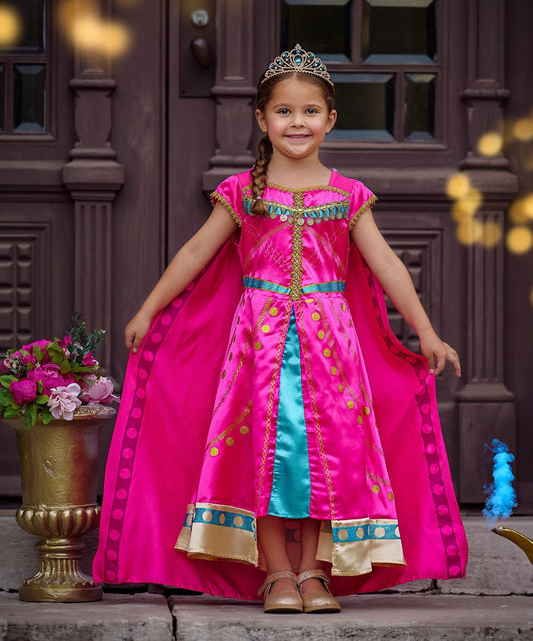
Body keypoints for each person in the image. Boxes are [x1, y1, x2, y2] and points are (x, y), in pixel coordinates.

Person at [93, 45, 468, 613]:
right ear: (262, 120)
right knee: (259, 451)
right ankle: (276, 574)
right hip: (256, 349)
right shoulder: (244, 192)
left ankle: (316, 572)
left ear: (331, 119)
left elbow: (388, 264)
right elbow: (197, 252)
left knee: (331, 453)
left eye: (310, 111)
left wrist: (427, 333)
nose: (298, 123)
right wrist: (148, 309)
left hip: (332, 349)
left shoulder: (348, 196)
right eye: (285, 112)